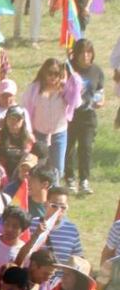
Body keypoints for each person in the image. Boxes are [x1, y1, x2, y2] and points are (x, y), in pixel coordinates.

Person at [65, 39, 105, 194]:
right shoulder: (67, 68)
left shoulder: (97, 71)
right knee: (68, 147)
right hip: (70, 115)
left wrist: (101, 101)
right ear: (76, 53)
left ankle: (84, 180)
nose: (85, 56)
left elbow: (100, 91)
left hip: (88, 116)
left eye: (89, 52)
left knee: (86, 147)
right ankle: (69, 178)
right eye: (82, 52)